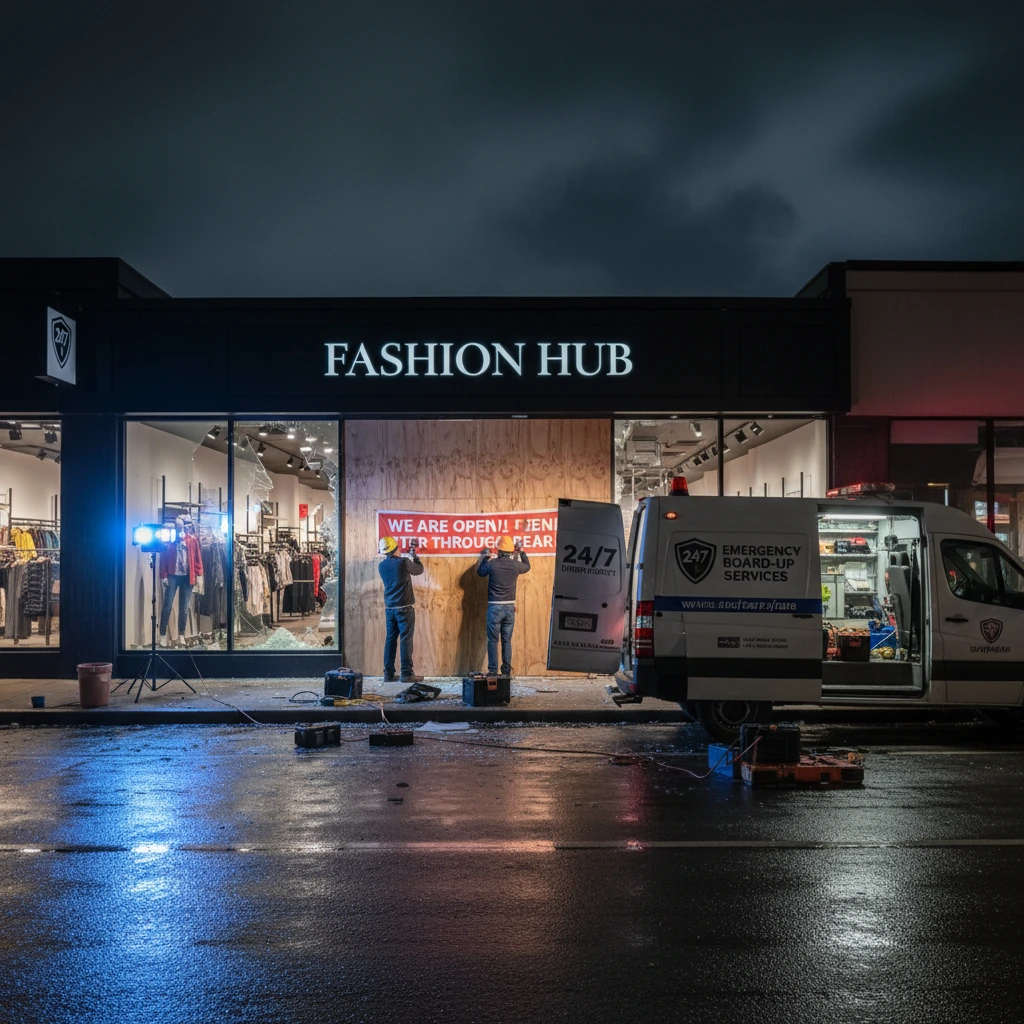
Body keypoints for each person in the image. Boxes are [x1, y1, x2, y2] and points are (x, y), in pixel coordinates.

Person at [477, 535, 530, 676]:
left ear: (498, 551)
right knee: (506, 640)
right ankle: (506, 671)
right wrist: (522, 552)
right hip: (509, 608)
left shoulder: (492, 564)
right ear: (512, 552)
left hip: (494, 608)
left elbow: (480, 572)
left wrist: (485, 557)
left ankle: (493, 671)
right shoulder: (516, 565)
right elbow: (527, 566)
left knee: (493, 640)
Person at [378, 536, 424, 682]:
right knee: (406, 640)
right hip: (404, 608)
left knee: (390, 640)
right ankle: (406, 674)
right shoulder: (403, 562)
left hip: (390, 608)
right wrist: (415, 556)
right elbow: (418, 570)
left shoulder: (382, 565)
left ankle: (388, 674)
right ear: (395, 548)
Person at [159, 516, 203, 647]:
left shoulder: (191, 540)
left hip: (187, 577)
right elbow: (164, 558)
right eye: (177, 527)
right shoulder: (170, 541)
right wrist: (163, 575)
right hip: (172, 575)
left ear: (184, 527)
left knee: (184, 608)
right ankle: (162, 634)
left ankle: (181, 634)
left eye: (181, 527)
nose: (179, 529)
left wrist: (198, 574)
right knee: (167, 605)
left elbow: (197, 558)